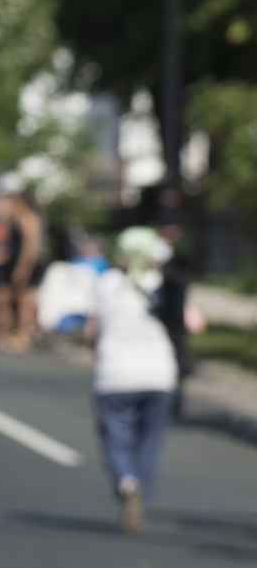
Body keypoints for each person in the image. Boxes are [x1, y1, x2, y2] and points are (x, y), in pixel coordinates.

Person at [88, 225, 194, 534]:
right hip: (159, 374)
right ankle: (142, 495)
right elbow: (193, 322)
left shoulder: (107, 283)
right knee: (150, 442)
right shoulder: (165, 284)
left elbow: (91, 331)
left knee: (114, 438)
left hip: (114, 374)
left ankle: (127, 482)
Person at [0, 190, 43, 352]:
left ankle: (23, 335)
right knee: (2, 298)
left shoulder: (28, 219)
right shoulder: (10, 219)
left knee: (24, 302)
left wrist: (22, 269)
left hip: (23, 266)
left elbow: (29, 249)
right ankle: (5, 333)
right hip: (10, 265)